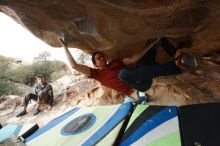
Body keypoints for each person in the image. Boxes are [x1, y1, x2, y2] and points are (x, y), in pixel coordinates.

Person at [58, 37, 196, 96]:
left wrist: (151, 44)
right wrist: (64, 47)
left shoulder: (115, 62)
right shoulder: (96, 74)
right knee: (123, 74)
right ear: (95, 64)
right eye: (99, 58)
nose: (102, 58)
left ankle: (175, 55)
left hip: (142, 74)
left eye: (102, 56)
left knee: (155, 41)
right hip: (138, 88)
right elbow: (74, 65)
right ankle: (177, 66)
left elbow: (135, 58)